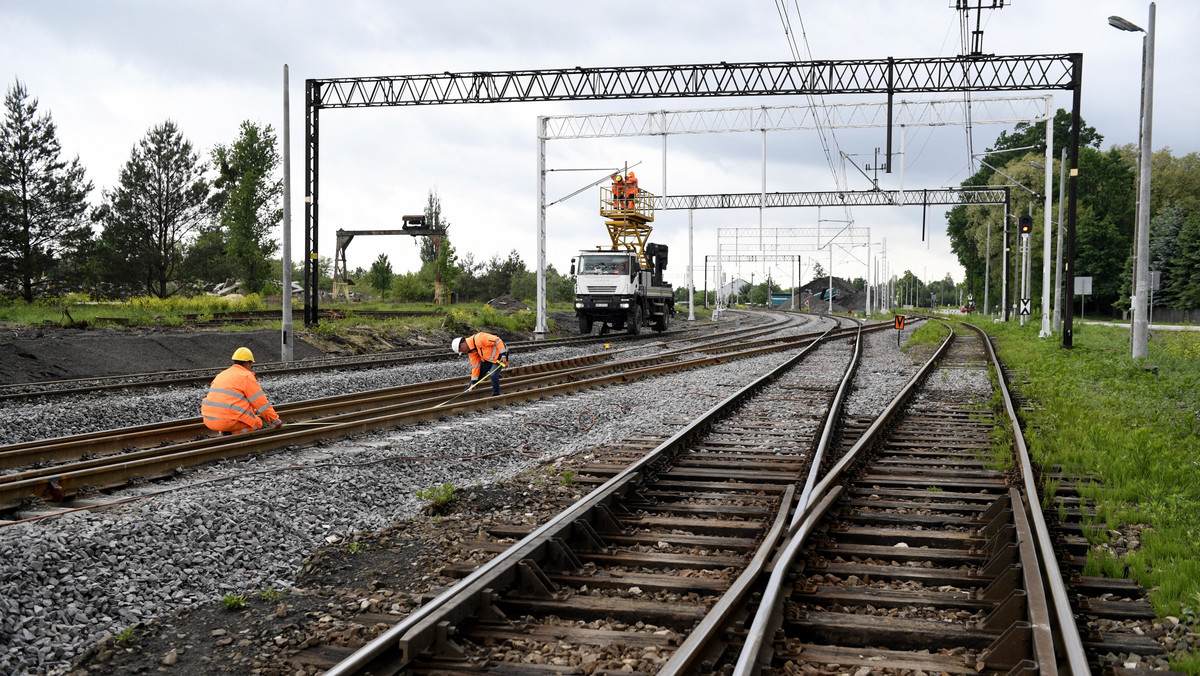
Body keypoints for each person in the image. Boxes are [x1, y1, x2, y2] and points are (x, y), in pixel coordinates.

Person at [201, 347, 283, 435]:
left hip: (209, 419)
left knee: (235, 417)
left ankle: (225, 432)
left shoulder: (222, 374)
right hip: (228, 422)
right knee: (257, 423)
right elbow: (260, 402)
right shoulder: (246, 376)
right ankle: (230, 434)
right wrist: (274, 420)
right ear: (248, 364)